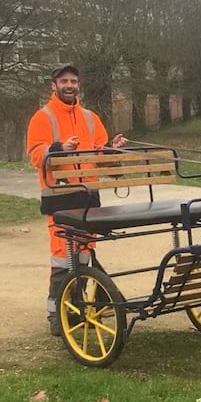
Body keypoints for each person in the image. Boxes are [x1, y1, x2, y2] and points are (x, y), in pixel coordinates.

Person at [26, 64, 127, 336]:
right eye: (64, 81)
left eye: (73, 80)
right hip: (59, 198)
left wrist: (112, 149)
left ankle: (80, 307)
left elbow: (101, 154)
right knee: (62, 258)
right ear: (54, 85)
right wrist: (59, 148)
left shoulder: (91, 118)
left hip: (88, 197)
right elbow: (36, 154)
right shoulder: (42, 117)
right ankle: (56, 314)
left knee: (84, 255)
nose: (70, 85)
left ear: (78, 85)